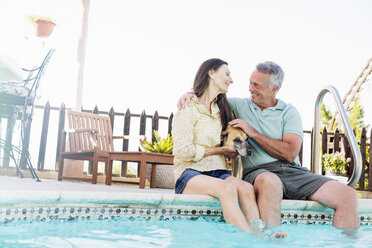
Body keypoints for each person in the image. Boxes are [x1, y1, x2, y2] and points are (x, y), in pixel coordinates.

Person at [178, 61, 359, 230]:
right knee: (270, 181)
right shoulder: (238, 105)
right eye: (250, 83)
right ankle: (271, 241)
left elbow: (289, 153)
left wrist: (253, 132)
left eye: (257, 85)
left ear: (274, 88)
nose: (251, 89)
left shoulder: (289, 112)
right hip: (259, 172)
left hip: (293, 171)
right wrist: (189, 93)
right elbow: (210, 96)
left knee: (348, 196)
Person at [172, 58, 286, 237]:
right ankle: (251, 238)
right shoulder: (188, 108)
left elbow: (235, 141)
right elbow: (182, 151)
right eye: (227, 74)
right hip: (189, 172)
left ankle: (261, 232)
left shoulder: (223, 109)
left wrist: (235, 149)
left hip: (217, 171)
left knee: (246, 188)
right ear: (211, 73)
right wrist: (219, 151)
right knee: (227, 189)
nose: (231, 80)